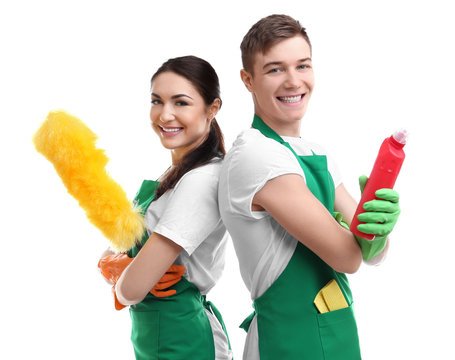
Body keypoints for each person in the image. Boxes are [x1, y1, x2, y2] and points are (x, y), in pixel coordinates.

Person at [218, 14, 401, 359]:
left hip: (337, 333)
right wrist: (356, 236)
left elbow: (374, 254)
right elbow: (348, 257)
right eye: (275, 69)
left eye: (302, 66)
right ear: (248, 79)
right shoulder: (256, 156)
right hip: (286, 341)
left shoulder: (317, 154)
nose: (293, 81)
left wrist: (377, 229)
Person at [98, 55, 233, 360]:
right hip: (156, 335)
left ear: (212, 108)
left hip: (183, 340)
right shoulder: (171, 178)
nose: (165, 114)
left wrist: (123, 277)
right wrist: (116, 266)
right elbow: (112, 254)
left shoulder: (202, 180)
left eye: (181, 103)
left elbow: (132, 290)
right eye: (157, 101)